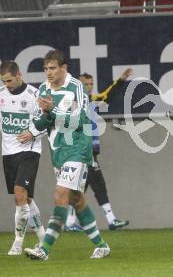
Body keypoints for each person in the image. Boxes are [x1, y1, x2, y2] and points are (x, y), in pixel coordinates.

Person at [24, 50, 110, 260]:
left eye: (52, 68)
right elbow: (44, 120)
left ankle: (44, 249)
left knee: (60, 194)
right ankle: (101, 245)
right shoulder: (44, 89)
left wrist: (52, 110)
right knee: (76, 199)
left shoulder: (76, 87)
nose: (48, 73)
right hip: (58, 149)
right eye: (45, 69)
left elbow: (80, 120)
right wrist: (33, 130)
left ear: (64, 68)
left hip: (78, 147)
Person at [64, 69, 132, 231]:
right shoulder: (73, 103)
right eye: (85, 84)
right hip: (83, 151)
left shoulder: (92, 100)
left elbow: (108, 94)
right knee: (96, 184)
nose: (89, 87)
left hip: (90, 150)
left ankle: (70, 222)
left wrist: (121, 80)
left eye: (91, 84)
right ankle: (109, 220)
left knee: (82, 186)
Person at [0, 60, 46, 255]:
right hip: (8, 152)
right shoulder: (1, 95)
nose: (6, 84)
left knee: (20, 192)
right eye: (3, 81)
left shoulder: (35, 95)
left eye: (9, 80)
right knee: (23, 199)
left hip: (29, 151)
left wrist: (32, 133)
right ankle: (43, 237)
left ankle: (18, 243)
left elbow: (47, 121)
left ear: (19, 75)